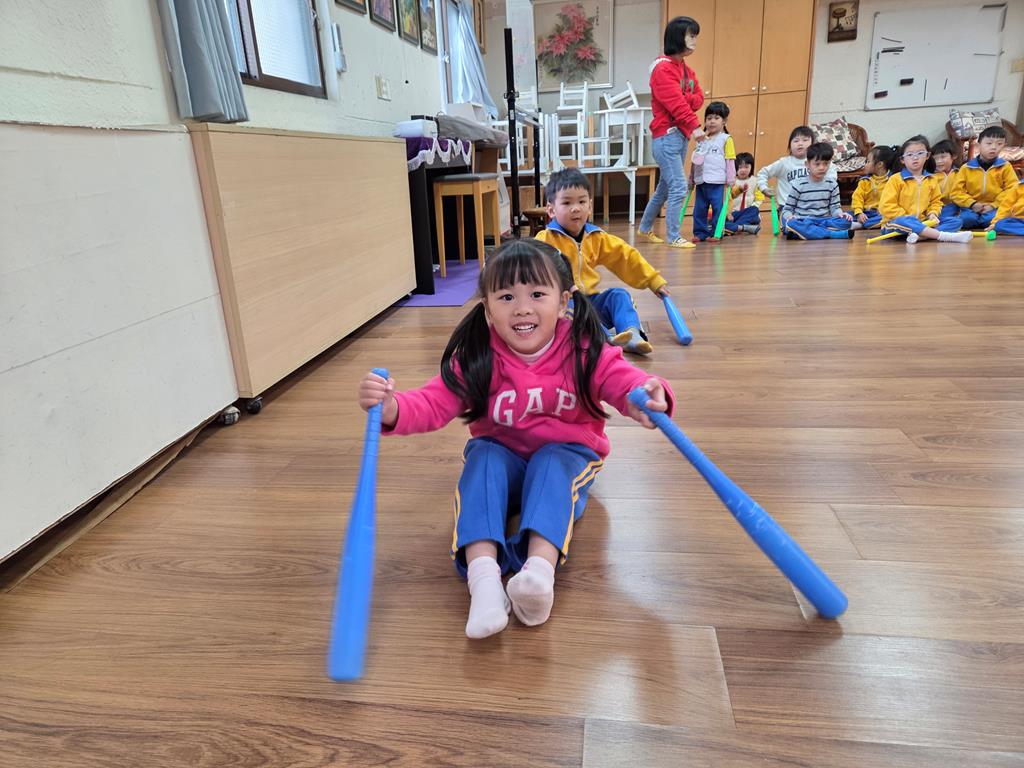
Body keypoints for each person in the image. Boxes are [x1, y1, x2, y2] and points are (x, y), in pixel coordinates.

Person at [357, 240, 673, 639]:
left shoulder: (585, 347)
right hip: (503, 451)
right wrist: (391, 408)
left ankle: (538, 575)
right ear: (488, 309)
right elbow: (434, 401)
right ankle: (484, 583)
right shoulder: (478, 355)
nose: (522, 308)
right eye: (506, 297)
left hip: (568, 452)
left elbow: (620, 378)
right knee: (482, 460)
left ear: (564, 302)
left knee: (553, 463)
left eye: (537, 294)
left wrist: (644, 394)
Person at [537, 168, 670, 356]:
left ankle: (632, 334)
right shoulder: (544, 241)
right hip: (566, 307)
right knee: (572, 309)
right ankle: (605, 339)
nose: (576, 208)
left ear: (590, 206)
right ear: (551, 210)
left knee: (619, 296)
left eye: (582, 202)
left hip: (592, 302)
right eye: (566, 203)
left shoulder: (596, 237)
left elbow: (624, 257)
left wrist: (653, 280)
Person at [636, 15, 705, 249]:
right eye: (691, 35)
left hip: (678, 136)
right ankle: (673, 236)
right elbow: (676, 103)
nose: (694, 40)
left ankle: (644, 228)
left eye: (695, 36)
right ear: (678, 37)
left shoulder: (686, 70)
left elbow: (698, 99)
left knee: (665, 188)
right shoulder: (663, 68)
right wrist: (695, 126)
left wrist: (685, 98)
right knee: (678, 187)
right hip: (666, 137)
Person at [877, 135, 972, 244]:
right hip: (895, 222)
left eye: (920, 153)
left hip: (922, 222)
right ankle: (942, 236)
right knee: (905, 221)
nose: (915, 158)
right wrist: (909, 217)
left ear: (927, 156)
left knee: (955, 221)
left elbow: (935, 202)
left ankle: (920, 236)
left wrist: (933, 214)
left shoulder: (932, 179)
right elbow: (886, 206)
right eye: (910, 154)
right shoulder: (895, 179)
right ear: (902, 159)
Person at [780, 142, 853, 240]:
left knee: (846, 221)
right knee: (791, 223)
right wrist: (790, 216)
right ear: (807, 164)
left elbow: (835, 207)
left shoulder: (832, 184)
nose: (822, 168)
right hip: (803, 221)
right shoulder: (798, 184)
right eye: (817, 164)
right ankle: (831, 234)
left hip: (823, 221)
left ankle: (805, 233)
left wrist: (840, 214)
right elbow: (787, 210)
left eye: (826, 163)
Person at [950, 125, 1018, 230]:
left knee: (991, 219)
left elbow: (1013, 189)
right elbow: (956, 192)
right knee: (967, 219)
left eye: (999, 144)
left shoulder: (1005, 166)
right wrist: (972, 204)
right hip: (970, 207)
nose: (994, 147)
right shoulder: (966, 168)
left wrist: (993, 205)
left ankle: (985, 221)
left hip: (994, 207)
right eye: (989, 143)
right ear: (979, 145)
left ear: (1004, 145)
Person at [689, 101, 736, 242]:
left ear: (724, 121)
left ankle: (717, 232)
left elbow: (730, 159)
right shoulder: (701, 140)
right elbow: (695, 160)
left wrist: (731, 178)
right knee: (699, 209)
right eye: (709, 118)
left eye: (716, 118)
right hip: (701, 181)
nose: (712, 121)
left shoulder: (726, 139)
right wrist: (691, 178)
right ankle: (700, 233)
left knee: (717, 208)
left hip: (717, 181)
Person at [756, 126, 836, 206]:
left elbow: (832, 178)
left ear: (812, 144)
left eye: (805, 140)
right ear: (789, 146)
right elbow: (763, 173)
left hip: (814, 207)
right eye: (796, 141)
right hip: (787, 207)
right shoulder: (784, 163)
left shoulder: (822, 162)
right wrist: (764, 188)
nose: (800, 143)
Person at [849, 145, 898, 230]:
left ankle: (861, 225)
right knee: (845, 216)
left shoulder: (893, 180)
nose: (865, 165)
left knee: (890, 218)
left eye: (868, 162)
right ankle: (863, 223)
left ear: (879, 164)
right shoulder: (865, 181)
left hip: (881, 214)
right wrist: (858, 212)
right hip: (865, 213)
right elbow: (857, 197)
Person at [724, 152, 764, 235]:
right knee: (717, 221)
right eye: (740, 167)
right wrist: (728, 214)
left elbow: (759, 199)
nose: (743, 170)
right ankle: (743, 227)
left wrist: (754, 206)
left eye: (746, 167)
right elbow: (726, 199)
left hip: (747, 213)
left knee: (754, 210)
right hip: (733, 214)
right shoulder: (731, 182)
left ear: (751, 167)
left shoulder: (755, 181)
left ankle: (733, 227)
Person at [930, 139, 961, 222]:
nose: (939, 161)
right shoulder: (932, 176)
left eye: (943, 157)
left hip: (957, 204)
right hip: (938, 207)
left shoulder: (959, 173)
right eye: (935, 158)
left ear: (953, 156)